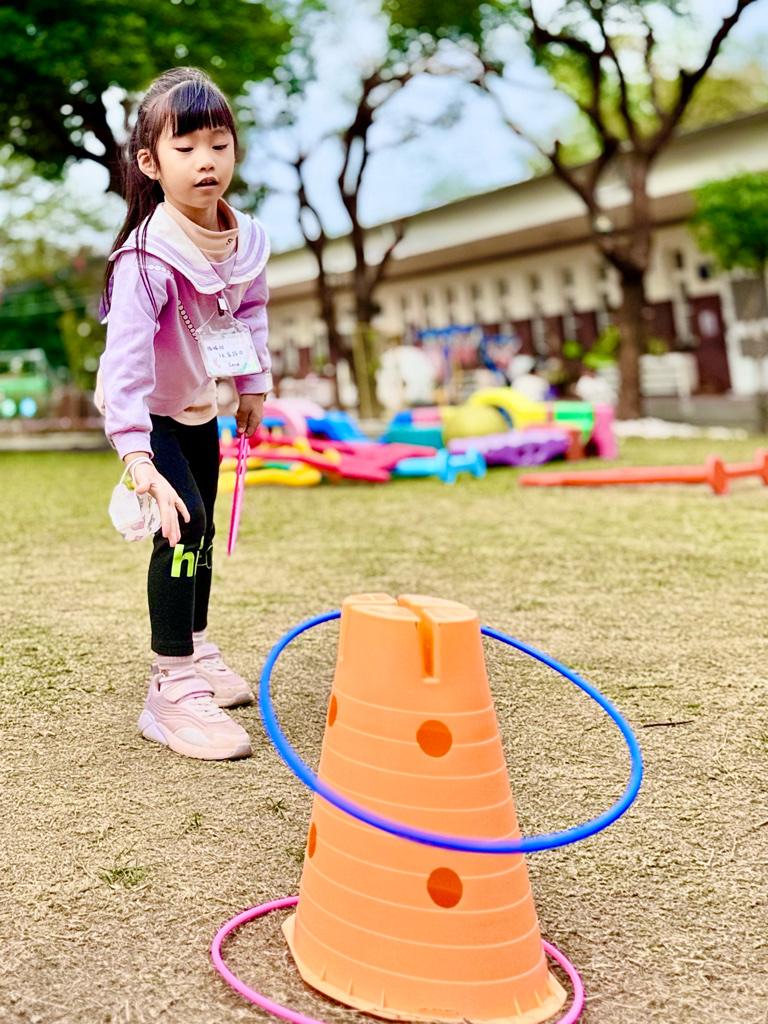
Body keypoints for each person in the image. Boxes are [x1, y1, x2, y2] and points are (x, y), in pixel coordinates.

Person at [100, 68, 272, 761]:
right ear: (151, 163)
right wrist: (136, 457)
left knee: (202, 533)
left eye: (219, 145)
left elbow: (251, 311)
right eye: (186, 147)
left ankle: (197, 647)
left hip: (201, 405)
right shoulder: (145, 259)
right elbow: (124, 366)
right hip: (149, 413)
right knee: (181, 527)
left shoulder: (244, 237)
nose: (207, 161)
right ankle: (170, 687)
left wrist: (253, 383)